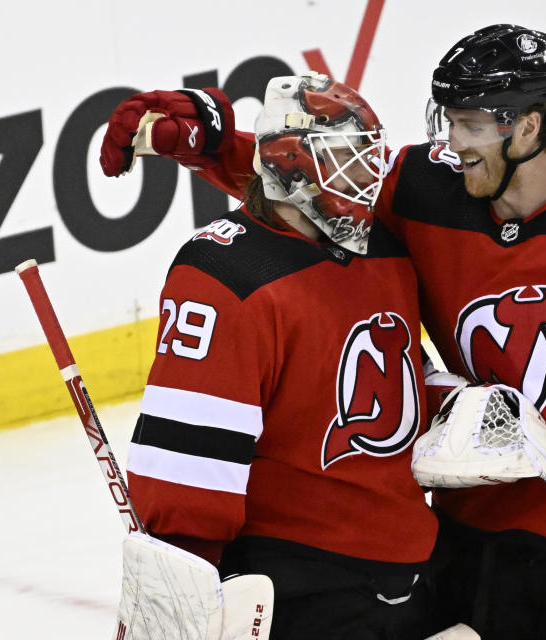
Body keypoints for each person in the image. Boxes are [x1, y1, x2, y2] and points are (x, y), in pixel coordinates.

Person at [108, 25, 546, 640]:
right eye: (448, 121)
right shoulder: (424, 191)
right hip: (467, 542)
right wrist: (208, 139)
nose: (450, 143)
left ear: (527, 128)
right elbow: (313, 183)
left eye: (469, 126)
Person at [100, 73, 447, 640]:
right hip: (298, 585)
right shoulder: (225, 273)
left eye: (368, 160)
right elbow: (190, 460)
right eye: (344, 161)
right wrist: (181, 584)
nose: (367, 179)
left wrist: (456, 406)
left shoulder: (381, 250)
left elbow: (395, 376)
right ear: (291, 165)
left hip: (411, 567)